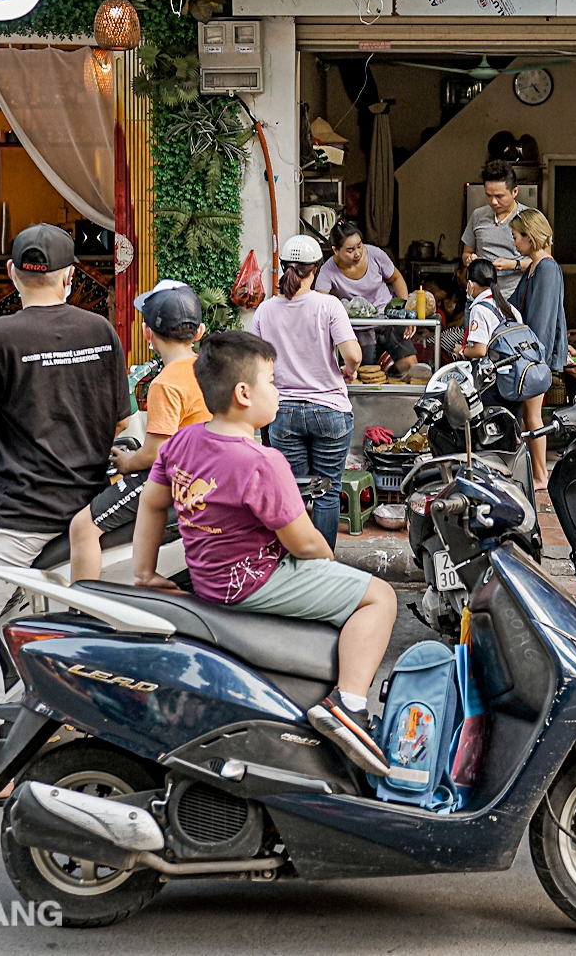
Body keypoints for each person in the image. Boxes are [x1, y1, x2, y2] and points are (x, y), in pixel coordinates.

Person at [0, 225, 133, 810]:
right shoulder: (99, 330)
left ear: (12, 275)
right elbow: (120, 421)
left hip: (19, 513)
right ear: (69, 278)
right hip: (89, 509)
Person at [129, 331, 400, 779]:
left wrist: (144, 571)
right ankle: (348, 706)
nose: (278, 391)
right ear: (242, 394)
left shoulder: (182, 442)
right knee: (379, 597)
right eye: (272, 382)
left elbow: (153, 503)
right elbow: (303, 544)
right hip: (258, 579)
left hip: (209, 578)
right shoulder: (261, 462)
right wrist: (328, 559)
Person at [67, 280, 210, 584]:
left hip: (172, 480)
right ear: (199, 333)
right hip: (203, 474)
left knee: (82, 527)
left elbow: (157, 452)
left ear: (148, 333)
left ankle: (81, 609)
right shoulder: (207, 372)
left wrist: (126, 462)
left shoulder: (165, 383)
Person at [252, 234, 362, 545]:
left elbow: (254, 360)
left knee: (295, 490)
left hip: (283, 412)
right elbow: (353, 354)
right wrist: (348, 371)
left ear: (284, 267)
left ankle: (297, 558)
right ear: (315, 269)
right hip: (329, 411)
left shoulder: (265, 311)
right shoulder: (328, 305)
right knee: (327, 490)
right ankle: (322, 566)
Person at [315, 220, 418, 379]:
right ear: (336, 250)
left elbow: (396, 278)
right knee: (364, 374)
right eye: (350, 250)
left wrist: (404, 309)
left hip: (388, 318)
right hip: (358, 327)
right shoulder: (328, 271)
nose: (357, 253)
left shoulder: (375, 254)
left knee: (410, 366)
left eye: (359, 246)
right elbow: (319, 301)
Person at [509, 208, 566, 489]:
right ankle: (535, 472)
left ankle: (541, 476)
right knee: (528, 415)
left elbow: (543, 320)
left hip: (536, 355)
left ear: (530, 237)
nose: (513, 242)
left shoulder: (546, 268)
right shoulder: (533, 266)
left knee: (533, 415)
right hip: (530, 353)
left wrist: (533, 358)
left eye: (516, 236)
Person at [461, 159, 541, 303]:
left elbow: (544, 262)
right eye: (488, 195)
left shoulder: (530, 219)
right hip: (480, 297)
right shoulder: (478, 215)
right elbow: (466, 252)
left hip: (516, 297)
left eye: (499, 196)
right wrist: (469, 259)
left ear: (514, 191)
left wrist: (512, 264)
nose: (493, 202)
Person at [459, 259, 514, 360]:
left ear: (471, 285)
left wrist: (461, 350)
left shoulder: (479, 310)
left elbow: (480, 350)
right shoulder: (508, 307)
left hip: (493, 372)